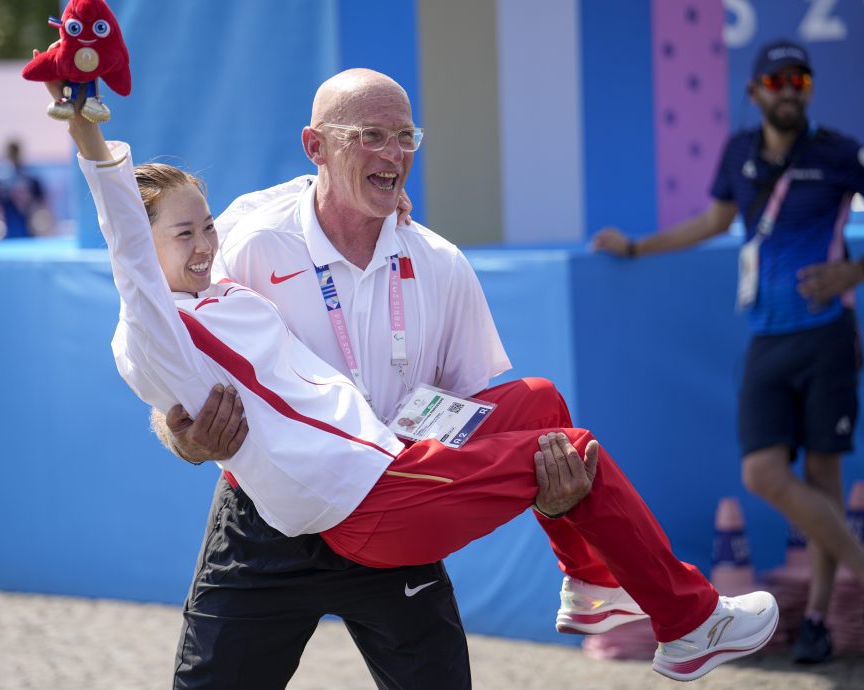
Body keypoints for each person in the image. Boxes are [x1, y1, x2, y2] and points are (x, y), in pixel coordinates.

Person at [60, 77, 779, 683]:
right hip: (274, 521)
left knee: (542, 409)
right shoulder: (239, 247)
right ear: (316, 148)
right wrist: (183, 433)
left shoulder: (435, 260)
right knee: (568, 443)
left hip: (391, 474)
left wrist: (557, 502)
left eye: (404, 137)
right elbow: (147, 292)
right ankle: (686, 620)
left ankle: (592, 586)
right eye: (368, 137)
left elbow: (472, 407)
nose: (393, 154)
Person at [592, 39, 864, 664]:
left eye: (799, 78)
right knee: (761, 473)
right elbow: (713, 223)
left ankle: (819, 619)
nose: (788, 88)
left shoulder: (837, 152)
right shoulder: (739, 153)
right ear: (755, 93)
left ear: (809, 89)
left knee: (824, 478)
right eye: (776, 80)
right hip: (768, 338)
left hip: (827, 335)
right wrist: (635, 248)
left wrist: (856, 272)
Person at [0, 140, 50, 239]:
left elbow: (44, 208)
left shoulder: (30, 181)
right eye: (10, 154)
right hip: (7, 235)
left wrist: (43, 228)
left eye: (14, 154)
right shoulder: (0, 184)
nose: (13, 158)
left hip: (29, 233)